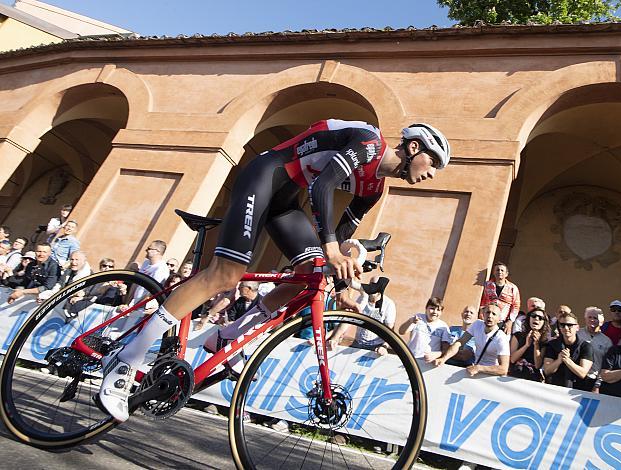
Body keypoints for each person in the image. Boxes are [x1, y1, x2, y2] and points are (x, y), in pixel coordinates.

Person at [98, 119, 450, 421]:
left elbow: (339, 237)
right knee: (225, 275)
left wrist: (343, 271)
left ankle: (227, 335)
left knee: (311, 276)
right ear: (414, 147)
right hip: (265, 176)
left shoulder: (374, 189)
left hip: (285, 202)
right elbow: (322, 186)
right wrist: (330, 247)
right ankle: (126, 359)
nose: (432, 173)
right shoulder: (369, 143)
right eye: (433, 162)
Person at [432, 303, 510, 378]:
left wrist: (480, 368)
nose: (490, 316)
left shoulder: (501, 338)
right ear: (483, 314)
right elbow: (460, 342)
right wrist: (443, 359)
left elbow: (503, 369)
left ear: (499, 319)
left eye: (494, 314)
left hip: (490, 376)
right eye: (488, 312)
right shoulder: (477, 324)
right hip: (474, 371)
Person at [543, 311, 593, 390]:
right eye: (562, 325)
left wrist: (567, 360)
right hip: (555, 389)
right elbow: (547, 370)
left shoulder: (586, 346)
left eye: (569, 325)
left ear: (577, 327)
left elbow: (582, 373)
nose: (566, 328)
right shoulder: (552, 345)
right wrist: (559, 360)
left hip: (576, 390)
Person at [509, 307, 550, 382]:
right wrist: (526, 345)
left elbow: (538, 365)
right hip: (515, 376)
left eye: (540, 318)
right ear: (529, 319)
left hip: (532, 378)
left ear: (544, 322)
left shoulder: (544, 343)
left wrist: (536, 345)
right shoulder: (517, 336)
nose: (536, 319)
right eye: (533, 316)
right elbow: (512, 359)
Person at [577, 306, 613, 391]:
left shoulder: (606, 341)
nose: (592, 320)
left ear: (601, 322)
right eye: (589, 317)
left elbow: (607, 365)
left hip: (593, 380)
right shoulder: (577, 334)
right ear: (585, 319)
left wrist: (598, 384)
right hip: (576, 376)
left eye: (595, 318)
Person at [480, 262, 520, 335]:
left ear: (506, 274)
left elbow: (516, 306)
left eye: (502, 270)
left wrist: (510, 321)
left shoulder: (513, 288)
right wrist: (482, 317)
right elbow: (483, 301)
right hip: (488, 319)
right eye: (497, 270)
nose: (499, 272)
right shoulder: (487, 285)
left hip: (503, 321)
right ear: (494, 272)